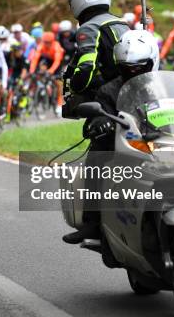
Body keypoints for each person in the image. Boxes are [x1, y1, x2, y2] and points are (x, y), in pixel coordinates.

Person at [63, 29, 159, 244]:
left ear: (153, 61)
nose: (133, 72)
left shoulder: (164, 85)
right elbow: (95, 118)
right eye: (127, 68)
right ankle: (93, 223)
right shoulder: (109, 90)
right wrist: (100, 123)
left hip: (164, 143)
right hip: (125, 146)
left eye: (139, 67)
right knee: (98, 157)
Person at [61, 0, 129, 243]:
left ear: (77, 0)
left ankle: (91, 224)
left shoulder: (88, 29)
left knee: (97, 163)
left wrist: (76, 87)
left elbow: (85, 70)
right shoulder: (122, 24)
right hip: (134, 99)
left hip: (108, 105)